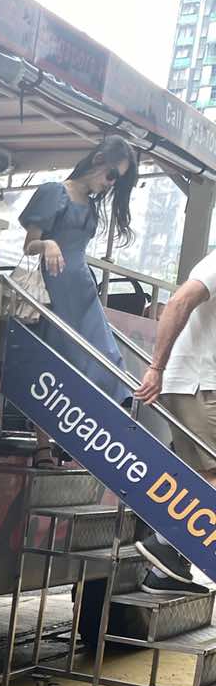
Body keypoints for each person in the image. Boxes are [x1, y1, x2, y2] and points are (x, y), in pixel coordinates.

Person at [19, 137, 139, 401]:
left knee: (105, 354)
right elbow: (28, 245)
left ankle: (107, 413)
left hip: (81, 287)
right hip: (54, 286)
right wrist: (48, 244)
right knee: (57, 354)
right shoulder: (55, 191)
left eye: (116, 181)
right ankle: (44, 442)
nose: (110, 184)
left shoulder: (91, 205)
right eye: (111, 175)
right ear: (98, 160)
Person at [131, 248, 216, 592]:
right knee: (211, 474)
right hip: (197, 384)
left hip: (201, 383)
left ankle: (164, 571)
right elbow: (179, 302)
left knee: (198, 473)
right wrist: (156, 368)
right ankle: (164, 544)